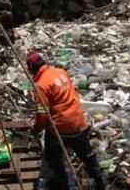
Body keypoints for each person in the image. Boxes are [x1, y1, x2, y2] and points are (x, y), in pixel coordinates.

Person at [26, 51, 106, 190]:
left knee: (53, 159)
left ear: (32, 68)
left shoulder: (40, 84)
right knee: (87, 157)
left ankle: (62, 185)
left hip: (59, 128)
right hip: (78, 122)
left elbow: (42, 112)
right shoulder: (60, 72)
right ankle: (100, 184)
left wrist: (37, 127)